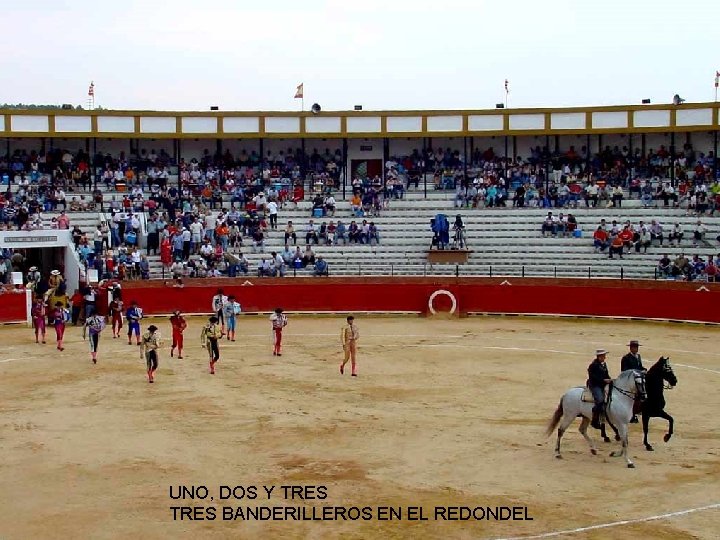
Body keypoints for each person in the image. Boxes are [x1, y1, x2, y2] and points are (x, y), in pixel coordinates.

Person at [587, 349, 613, 429]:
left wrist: (610, 380)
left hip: (603, 384)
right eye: (603, 356)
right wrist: (603, 380)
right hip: (595, 385)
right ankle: (595, 419)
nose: (604, 357)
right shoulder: (593, 365)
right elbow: (592, 377)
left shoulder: (603, 364)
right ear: (599, 357)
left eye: (604, 356)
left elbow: (606, 375)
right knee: (600, 400)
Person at [621, 339, 645, 423]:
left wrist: (644, 370)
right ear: (630, 348)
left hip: (637, 378)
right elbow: (624, 371)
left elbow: (640, 367)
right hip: (629, 380)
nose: (636, 349)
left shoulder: (638, 356)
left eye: (637, 347)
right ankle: (632, 413)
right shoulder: (626, 358)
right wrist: (636, 372)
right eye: (634, 347)